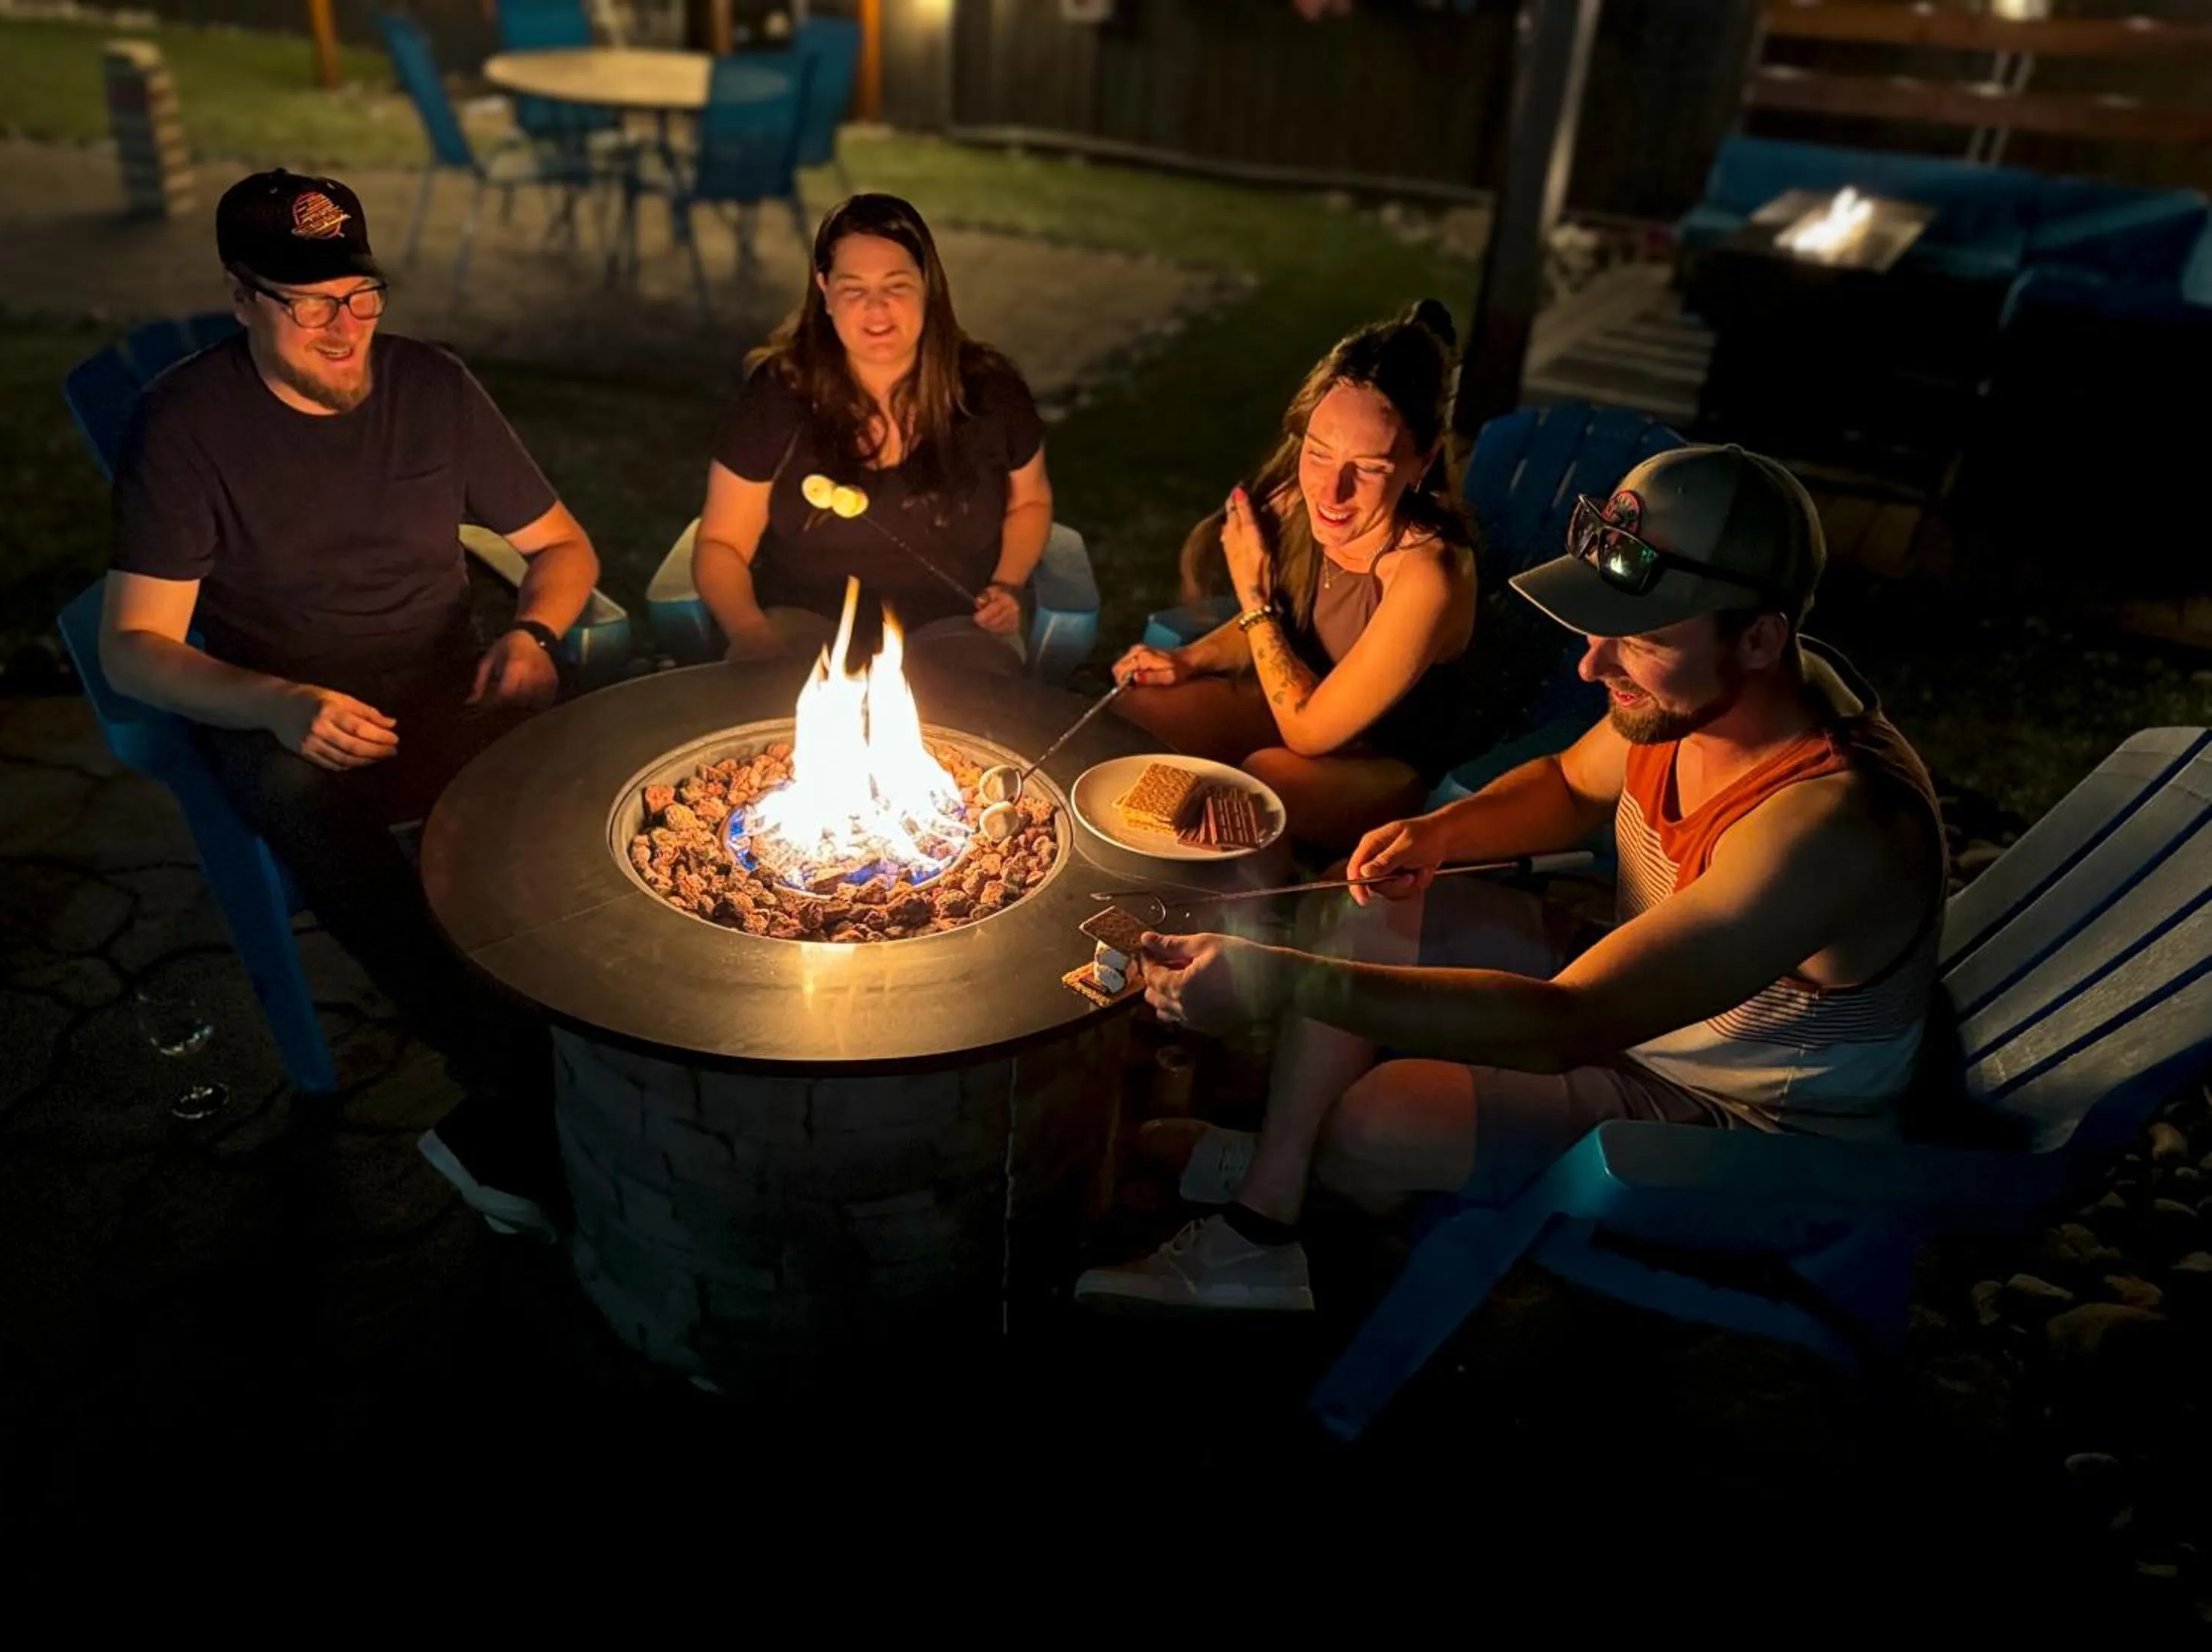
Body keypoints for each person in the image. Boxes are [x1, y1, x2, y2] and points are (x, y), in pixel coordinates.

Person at [1078, 444, 1947, 1313]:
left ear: (1759, 638)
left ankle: (1310, 1164)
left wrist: (1273, 979)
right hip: (1647, 1016)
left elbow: (1563, 1023)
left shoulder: (1832, 826)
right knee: (1366, 898)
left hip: (1740, 1135)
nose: (1593, 666)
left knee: (1375, 1124)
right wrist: (1438, 833)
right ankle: (1270, 1208)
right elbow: (1570, 782)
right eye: (1599, 627)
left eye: (1637, 639)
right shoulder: (1712, 687)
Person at [99, 169, 600, 1238]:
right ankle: (516, 1089)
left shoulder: (433, 387)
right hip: (282, 707)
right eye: (311, 302)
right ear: (242, 297)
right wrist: (279, 703)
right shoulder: (185, 426)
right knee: (315, 814)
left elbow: (562, 548)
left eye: (361, 294)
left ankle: (598, 1030)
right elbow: (134, 649)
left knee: (595, 746)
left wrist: (533, 635)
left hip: (443, 677)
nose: (345, 326)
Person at [1107, 302, 1484, 851]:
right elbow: (1276, 625)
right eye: (1319, 453)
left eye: (1369, 468)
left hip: (1382, 760)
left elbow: (1307, 729)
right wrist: (1189, 659)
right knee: (1138, 711)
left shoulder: (1428, 573)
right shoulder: (1299, 504)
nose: (1331, 493)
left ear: (1421, 464)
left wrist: (1252, 592)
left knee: (1262, 785)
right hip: (1295, 703)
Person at [693, 193, 1053, 674]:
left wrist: (1007, 585)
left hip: (954, 628)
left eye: (896, 286)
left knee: (975, 707)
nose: (877, 308)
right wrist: (750, 631)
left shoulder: (990, 390)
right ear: (824, 290)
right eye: (854, 289)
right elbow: (721, 544)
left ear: (928, 285)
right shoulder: (780, 393)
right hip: (804, 628)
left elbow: (1031, 503)